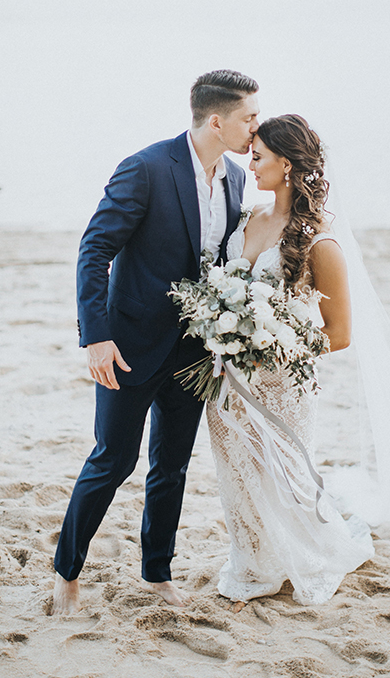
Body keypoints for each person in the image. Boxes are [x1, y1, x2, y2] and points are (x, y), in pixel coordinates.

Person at [207, 114, 390, 606]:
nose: (249, 163)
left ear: (285, 164)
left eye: (257, 156)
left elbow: (340, 334)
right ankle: (254, 559)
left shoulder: (320, 241)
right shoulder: (246, 219)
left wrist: (271, 342)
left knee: (285, 475)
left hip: (282, 380)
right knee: (236, 468)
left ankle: (307, 553)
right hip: (230, 378)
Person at [52, 70, 260, 614]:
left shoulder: (237, 177)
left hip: (196, 352)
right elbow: (93, 252)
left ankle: (156, 571)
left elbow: (220, 262)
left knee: (172, 466)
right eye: (249, 118)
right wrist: (95, 339)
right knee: (111, 461)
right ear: (217, 120)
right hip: (129, 345)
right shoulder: (145, 168)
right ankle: (67, 573)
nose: (255, 128)